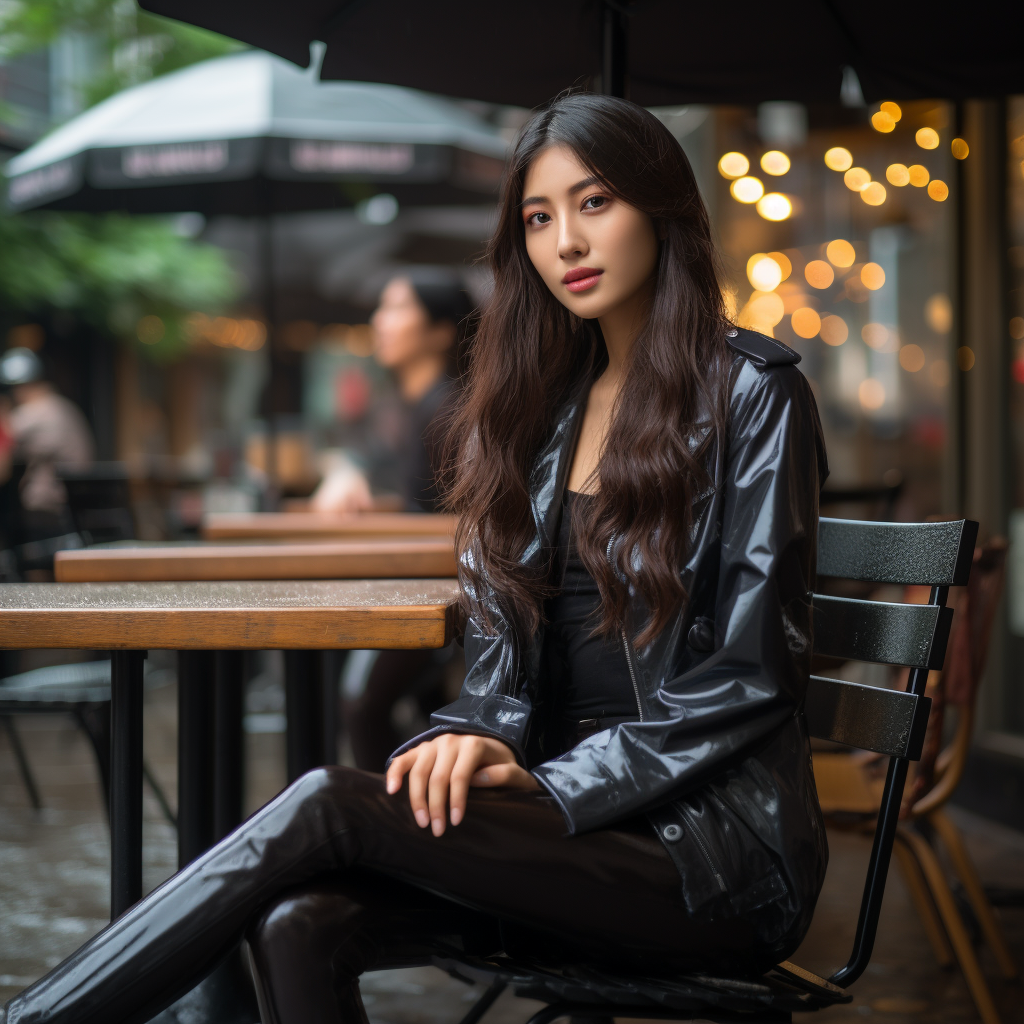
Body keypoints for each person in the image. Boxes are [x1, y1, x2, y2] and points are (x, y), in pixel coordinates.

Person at [2, 93, 829, 1024]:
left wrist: (555, 781)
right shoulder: (549, 410)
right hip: (559, 820)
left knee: (327, 801)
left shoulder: (755, 396)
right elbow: (503, 663)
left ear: (661, 209)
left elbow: (753, 675)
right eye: (539, 217)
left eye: (594, 203)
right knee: (301, 922)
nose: (566, 242)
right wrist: (477, 733)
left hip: (709, 850)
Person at [315, 271, 474, 770]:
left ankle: (385, 826)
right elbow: (363, 458)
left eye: (397, 308)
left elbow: (472, 519)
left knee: (361, 705)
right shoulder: (413, 404)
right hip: (419, 586)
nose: (379, 322)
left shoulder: (449, 410)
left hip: (447, 595)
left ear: (441, 331)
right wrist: (345, 470)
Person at [0, 347, 94, 516]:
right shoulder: (64, 406)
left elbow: (5, 437)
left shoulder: (39, 410)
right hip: (75, 504)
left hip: (53, 508)